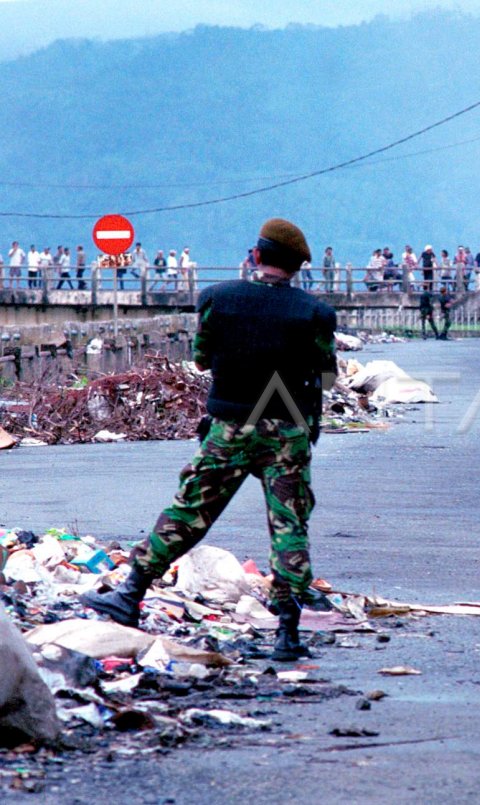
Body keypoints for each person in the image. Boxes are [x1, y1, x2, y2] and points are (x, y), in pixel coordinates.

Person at [83, 217, 337, 663]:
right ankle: (287, 632)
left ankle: (130, 594)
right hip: (288, 431)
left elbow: (201, 360)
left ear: (255, 256)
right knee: (288, 527)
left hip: (229, 428)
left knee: (189, 511)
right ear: (298, 268)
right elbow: (326, 374)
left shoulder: (217, 299)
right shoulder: (315, 313)